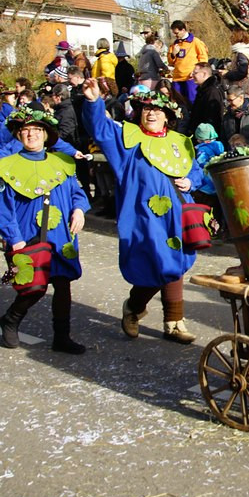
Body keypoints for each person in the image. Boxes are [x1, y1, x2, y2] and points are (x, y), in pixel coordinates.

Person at [81, 81, 203, 344]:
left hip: (177, 213)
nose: (151, 114)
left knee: (175, 263)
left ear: (167, 116)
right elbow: (100, 131)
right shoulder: (128, 140)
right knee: (155, 264)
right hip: (144, 217)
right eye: (146, 109)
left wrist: (191, 181)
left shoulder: (179, 142)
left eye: (157, 111)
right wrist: (93, 102)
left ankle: (174, 322)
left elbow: (195, 169)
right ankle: (134, 307)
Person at [0, 107, 89, 354]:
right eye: (25, 130)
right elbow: (3, 208)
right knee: (34, 286)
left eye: (37, 130)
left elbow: (77, 192)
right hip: (27, 234)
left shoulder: (63, 163)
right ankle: (11, 318)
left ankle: (62, 337)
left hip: (61, 234)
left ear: (46, 134)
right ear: (18, 135)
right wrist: (14, 239)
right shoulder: (7, 165)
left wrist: (79, 209)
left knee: (63, 284)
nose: (31, 135)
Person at [168, 20, 209, 108]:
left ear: (183, 30)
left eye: (176, 33)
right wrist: (173, 54)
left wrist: (196, 72)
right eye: (174, 33)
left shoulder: (195, 42)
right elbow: (170, 62)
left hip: (190, 77)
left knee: (192, 101)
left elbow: (203, 58)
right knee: (177, 103)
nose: (175, 35)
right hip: (177, 78)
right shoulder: (174, 44)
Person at [224, 29, 249, 102]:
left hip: (241, 89)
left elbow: (242, 72)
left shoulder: (241, 54)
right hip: (248, 87)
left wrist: (226, 74)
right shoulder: (247, 51)